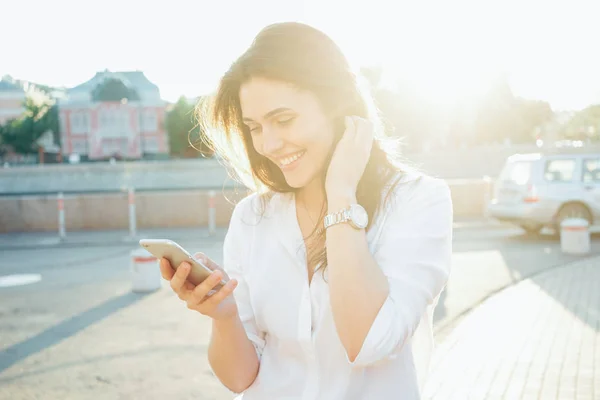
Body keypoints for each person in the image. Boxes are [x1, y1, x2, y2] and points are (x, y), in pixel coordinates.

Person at [159, 22, 452, 399]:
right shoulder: (253, 217)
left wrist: (341, 195)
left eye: (283, 120)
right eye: (255, 127)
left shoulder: (418, 201)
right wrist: (224, 316)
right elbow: (239, 380)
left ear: (339, 107)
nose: (269, 143)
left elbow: (369, 343)